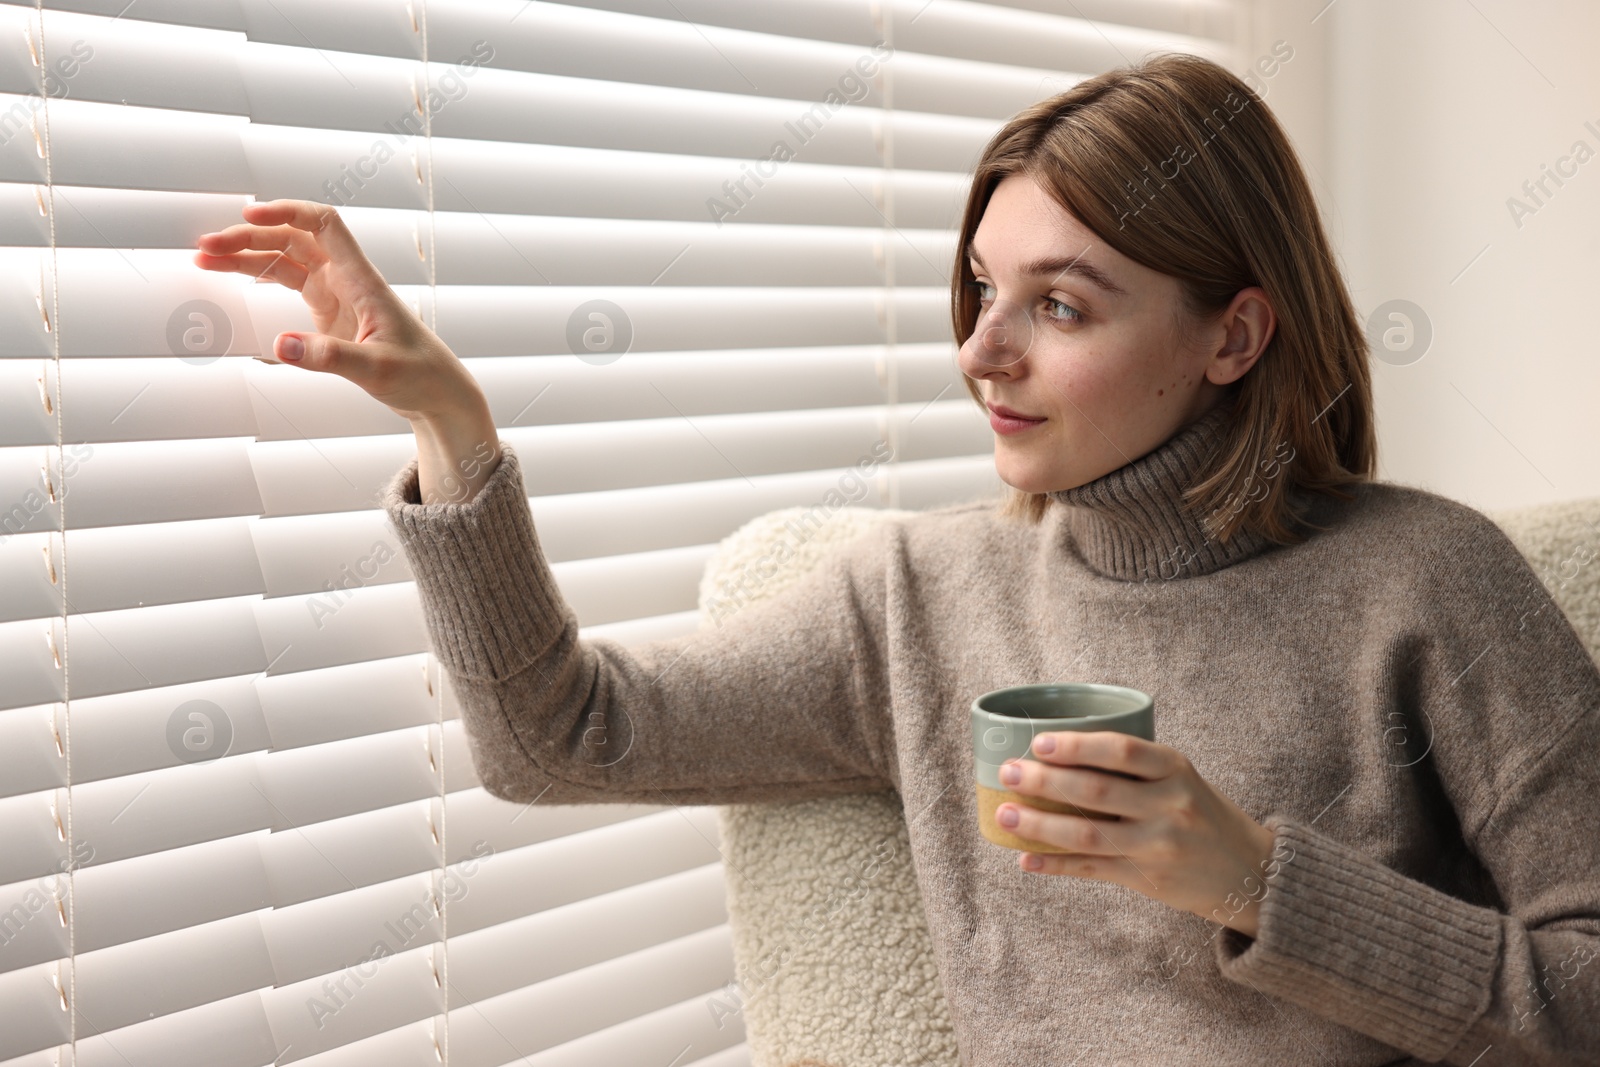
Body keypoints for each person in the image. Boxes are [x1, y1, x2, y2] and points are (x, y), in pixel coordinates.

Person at [193, 51, 1600, 1067]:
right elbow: (560, 736)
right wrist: (454, 421)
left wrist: (1252, 882)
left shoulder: (1431, 584)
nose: (982, 351)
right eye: (985, 288)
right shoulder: (919, 601)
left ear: (1231, 337)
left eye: (1060, 304)